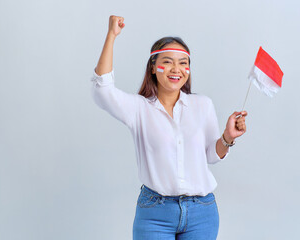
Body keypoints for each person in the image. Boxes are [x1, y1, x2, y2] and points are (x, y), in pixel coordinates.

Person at [90, 15, 248, 240]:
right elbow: (102, 92)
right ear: (153, 68)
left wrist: (227, 137)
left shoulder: (203, 105)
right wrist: (111, 36)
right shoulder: (139, 109)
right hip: (155, 212)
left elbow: (211, 156)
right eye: (168, 61)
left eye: (183, 63)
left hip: (202, 212)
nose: (177, 69)